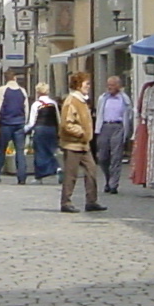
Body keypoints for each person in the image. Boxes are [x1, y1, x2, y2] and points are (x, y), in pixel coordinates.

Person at [58, 72, 104, 213]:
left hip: (84, 144)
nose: (89, 87)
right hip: (73, 144)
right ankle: (66, 202)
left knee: (91, 171)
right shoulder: (71, 101)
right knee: (71, 174)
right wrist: (81, 132)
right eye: (86, 84)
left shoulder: (82, 100)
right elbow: (67, 123)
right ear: (78, 85)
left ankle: (91, 201)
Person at [95, 74, 133, 195]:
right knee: (102, 157)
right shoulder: (103, 98)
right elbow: (99, 113)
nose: (109, 87)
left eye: (112, 85)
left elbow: (129, 116)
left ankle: (113, 184)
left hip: (118, 127)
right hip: (104, 127)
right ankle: (108, 178)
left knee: (116, 157)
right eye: (108, 85)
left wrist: (127, 132)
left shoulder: (124, 99)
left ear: (118, 86)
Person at [0, 75, 30, 184]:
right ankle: (22, 177)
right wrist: (24, 121)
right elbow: (26, 108)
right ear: (15, 79)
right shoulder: (22, 91)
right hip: (19, 123)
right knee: (20, 151)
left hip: (6, 123)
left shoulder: (3, 90)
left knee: (1, 150)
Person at [29, 83, 60, 181]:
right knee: (51, 151)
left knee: (40, 152)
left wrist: (25, 130)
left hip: (40, 129)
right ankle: (57, 168)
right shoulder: (53, 103)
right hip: (51, 129)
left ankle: (40, 176)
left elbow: (31, 122)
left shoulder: (36, 104)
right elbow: (58, 119)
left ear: (37, 92)